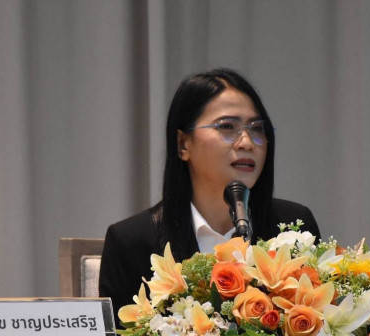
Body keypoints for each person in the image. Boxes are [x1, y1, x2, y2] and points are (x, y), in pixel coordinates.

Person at [99, 68, 320, 317]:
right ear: (183, 144)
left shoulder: (294, 228)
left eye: (257, 128)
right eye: (227, 126)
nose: (247, 142)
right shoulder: (132, 242)